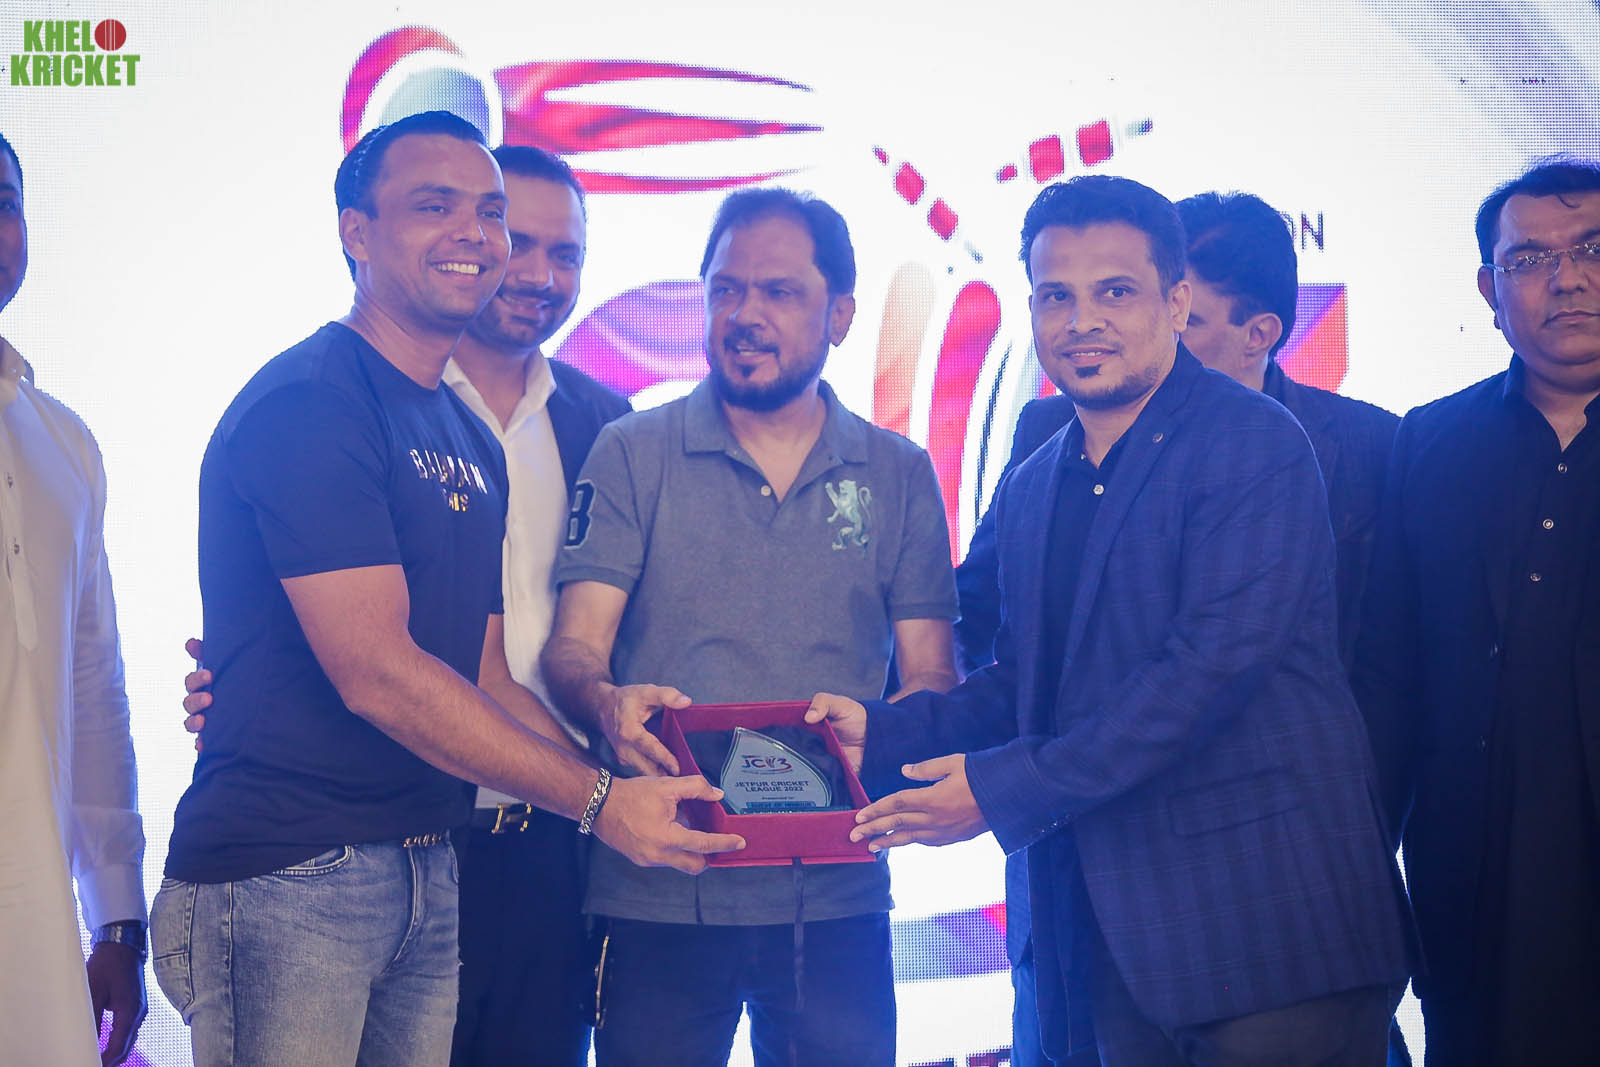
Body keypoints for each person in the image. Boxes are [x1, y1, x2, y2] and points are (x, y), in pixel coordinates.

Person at [150, 111, 740, 1067]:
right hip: (290, 868)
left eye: (489, 211)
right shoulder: (313, 400)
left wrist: (626, 788)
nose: (476, 233)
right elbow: (378, 672)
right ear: (356, 231)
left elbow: (486, 674)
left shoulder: (466, 437)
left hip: (427, 861)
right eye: (435, 206)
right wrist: (600, 800)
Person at [810, 175, 1414, 1067]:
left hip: (1268, 936)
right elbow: (1029, 680)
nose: (1081, 320)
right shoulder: (1035, 480)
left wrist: (999, 789)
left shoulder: (1254, 442)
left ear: (1176, 302)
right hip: (1105, 944)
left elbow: (1203, 675)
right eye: (1055, 295)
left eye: (1115, 292)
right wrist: (888, 732)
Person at [539, 186, 960, 1067]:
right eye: (725, 289)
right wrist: (606, 703)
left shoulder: (898, 471)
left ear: (841, 314)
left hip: (836, 898)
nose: (744, 315)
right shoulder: (633, 450)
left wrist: (880, 739)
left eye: (779, 291)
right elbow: (574, 649)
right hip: (658, 881)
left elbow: (931, 678)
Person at [1354, 155, 1600, 1066]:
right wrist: (1363, 851)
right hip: (1474, 854)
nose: (1567, 278)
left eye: (1593, 249)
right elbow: (1390, 669)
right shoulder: (1431, 440)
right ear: (1491, 292)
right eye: (1530, 259)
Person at [0, 130, 147, 1067]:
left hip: (34, 939)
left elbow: (95, 693)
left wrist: (118, 918)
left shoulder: (64, 443)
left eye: (5, 201)